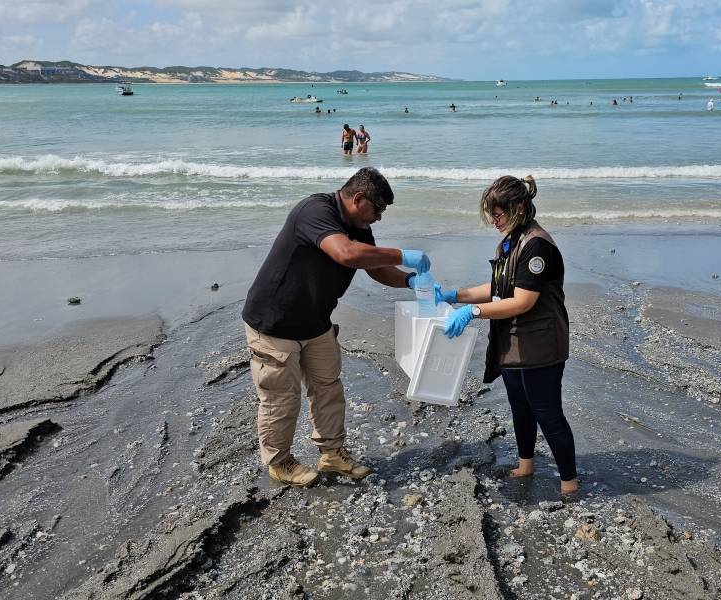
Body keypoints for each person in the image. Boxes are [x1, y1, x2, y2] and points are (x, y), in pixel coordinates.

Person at [242, 167, 432, 486]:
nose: (379, 219)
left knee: (328, 388)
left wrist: (411, 280)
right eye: (378, 210)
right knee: (281, 397)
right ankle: (279, 461)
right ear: (358, 199)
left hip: (316, 321)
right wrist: (406, 254)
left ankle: (332, 454)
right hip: (275, 323)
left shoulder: (358, 226)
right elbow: (345, 254)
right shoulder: (315, 210)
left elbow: (375, 266)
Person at [437, 175, 578, 495]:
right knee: (520, 405)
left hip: (541, 343)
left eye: (497, 214)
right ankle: (525, 463)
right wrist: (456, 295)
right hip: (514, 341)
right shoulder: (510, 240)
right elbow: (500, 289)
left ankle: (569, 482)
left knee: (547, 411)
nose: (492, 221)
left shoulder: (537, 245)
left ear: (518, 208)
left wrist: (473, 312)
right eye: (490, 214)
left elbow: (523, 300)